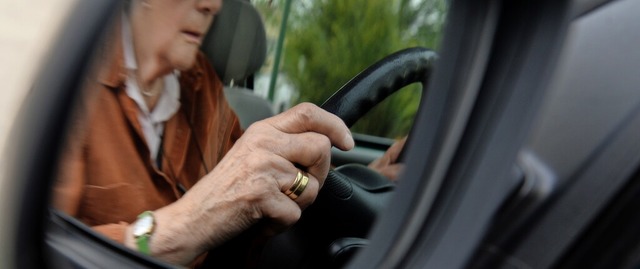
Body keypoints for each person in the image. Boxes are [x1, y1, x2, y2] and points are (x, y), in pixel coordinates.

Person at [53, 0, 405, 267]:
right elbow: (41, 246)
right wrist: (181, 227)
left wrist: (360, 185)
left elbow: (250, 200)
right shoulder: (71, 90)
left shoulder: (201, 84)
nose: (213, 5)